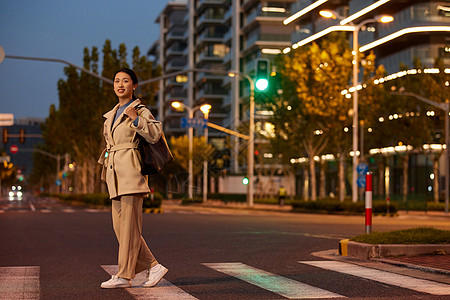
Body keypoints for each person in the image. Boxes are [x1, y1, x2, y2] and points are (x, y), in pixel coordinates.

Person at [98, 68, 168, 289]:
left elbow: (156, 134)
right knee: (122, 229)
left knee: (129, 229)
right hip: (115, 174)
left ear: (134, 85)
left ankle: (125, 275)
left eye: (125, 81)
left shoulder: (139, 109)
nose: (120, 84)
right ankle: (154, 266)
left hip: (131, 173)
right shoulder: (111, 114)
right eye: (117, 81)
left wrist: (137, 119)